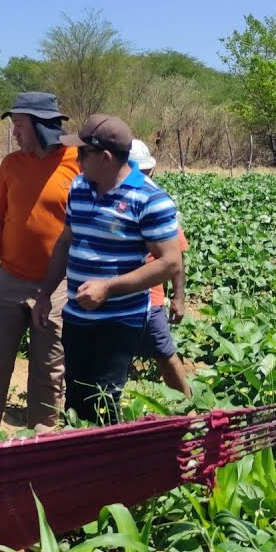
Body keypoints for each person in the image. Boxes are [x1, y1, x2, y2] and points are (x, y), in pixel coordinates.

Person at [33, 115, 183, 425]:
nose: (76, 160)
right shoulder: (78, 187)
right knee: (76, 397)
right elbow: (65, 242)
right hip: (77, 314)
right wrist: (45, 293)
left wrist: (108, 288)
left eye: (82, 153)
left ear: (105, 157)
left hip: (120, 319)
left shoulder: (150, 199)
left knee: (104, 398)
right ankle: (80, 450)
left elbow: (170, 262)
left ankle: (107, 453)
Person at [0, 92, 82, 431]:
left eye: (19, 125)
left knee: (49, 368)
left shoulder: (77, 161)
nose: (15, 132)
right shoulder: (11, 165)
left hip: (58, 284)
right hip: (10, 279)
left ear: (40, 125)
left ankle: (42, 440)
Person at [128, 139, 192, 397]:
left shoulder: (156, 203)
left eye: (145, 172)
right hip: (112, 295)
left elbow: (177, 258)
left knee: (164, 353)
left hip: (149, 296)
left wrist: (178, 298)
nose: (143, 178)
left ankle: (189, 406)